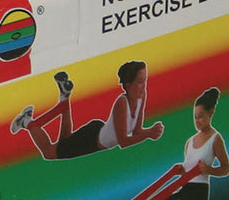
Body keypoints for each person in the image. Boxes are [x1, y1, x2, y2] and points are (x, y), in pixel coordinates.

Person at [106, 87, 229, 200]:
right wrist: (180, 169)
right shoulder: (190, 141)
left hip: (198, 194)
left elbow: (226, 168)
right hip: (185, 188)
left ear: (211, 113)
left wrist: (209, 170)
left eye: (201, 116)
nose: (197, 120)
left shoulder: (216, 139)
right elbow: (188, 167)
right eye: (195, 117)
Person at [11, 61, 164, 160]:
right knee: (49, 153)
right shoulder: (122, 104)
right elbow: (123, 142)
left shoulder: (141, 97)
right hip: (91, 140)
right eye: (140, 81)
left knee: (64, 142)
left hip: (97, 132)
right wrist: (149, 134)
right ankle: (26, 121)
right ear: (128, 85)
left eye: (145, 80)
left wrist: (149, 131)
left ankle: (65, 96)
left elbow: (136, 131)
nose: (144, 86)